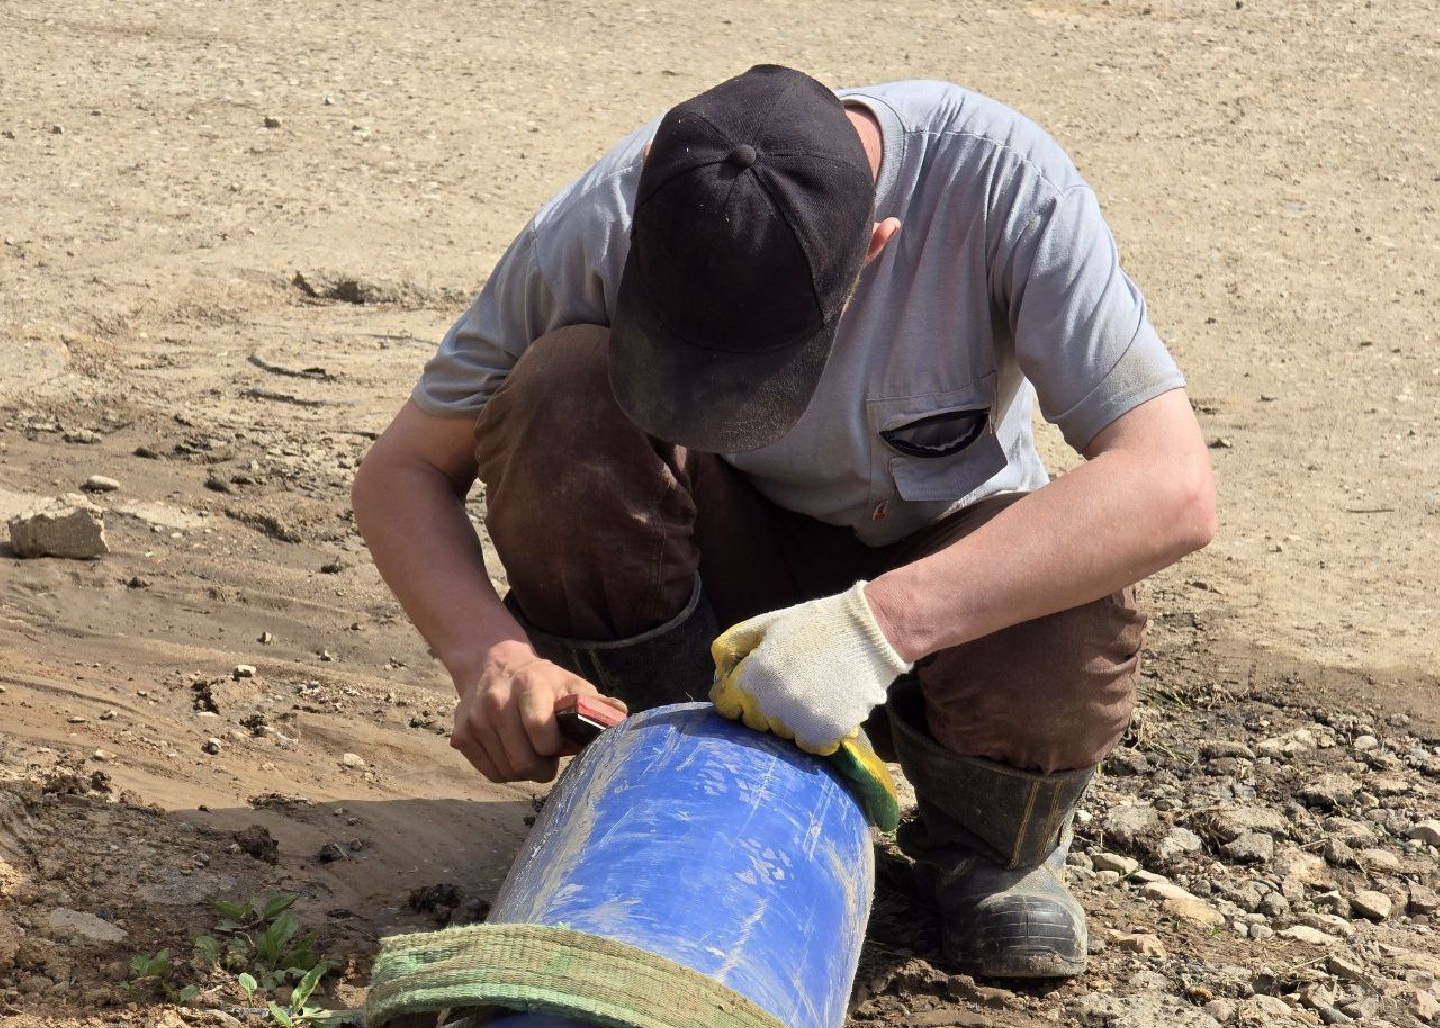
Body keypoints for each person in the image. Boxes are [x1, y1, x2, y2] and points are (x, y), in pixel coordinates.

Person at [352, 64, 1216, 980]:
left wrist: (875, 628)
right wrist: (493, 656)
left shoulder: (1000, 185)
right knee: (557, 396)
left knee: (1071, 597)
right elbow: (401, 472)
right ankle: (665, 767)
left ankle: (985, 851)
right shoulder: (604, 217)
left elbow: (1172, 486)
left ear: (877, 246)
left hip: (940, 614)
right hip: (717, 590)